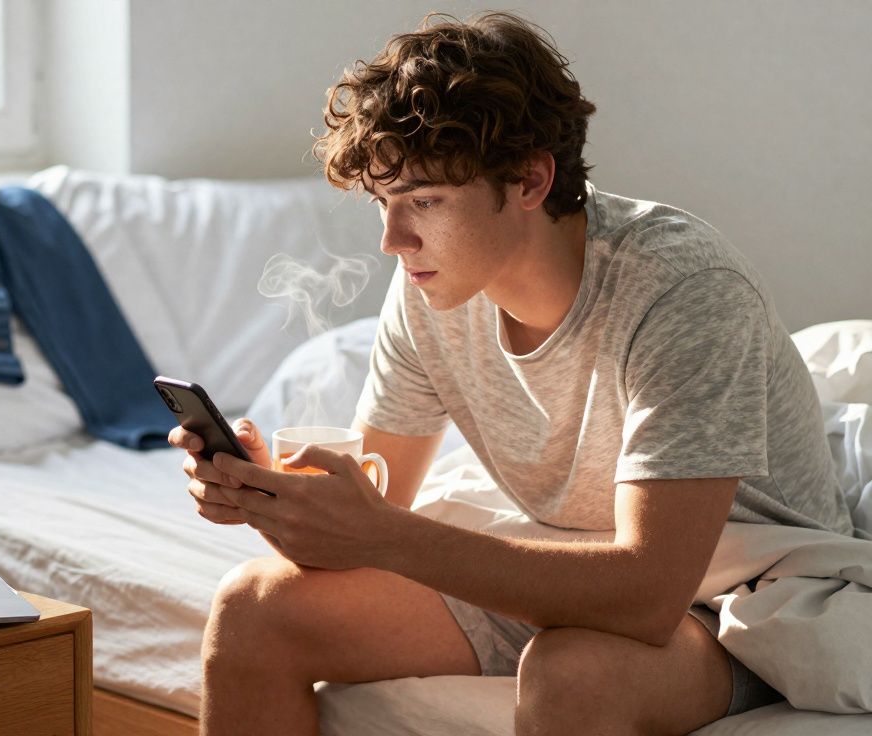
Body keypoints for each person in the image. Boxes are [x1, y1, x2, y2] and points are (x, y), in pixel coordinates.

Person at [168, 10, 854, 736]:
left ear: (530, 180)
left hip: (736, 597)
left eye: (424, 201)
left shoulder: (685, 291)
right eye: (384, 203)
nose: (391, 241)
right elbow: (376, 505)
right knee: (252, 610)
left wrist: (384, 537)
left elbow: (650, 593)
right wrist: (279, 498)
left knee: (574, 673)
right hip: (563, 562)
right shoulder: (430, 288)